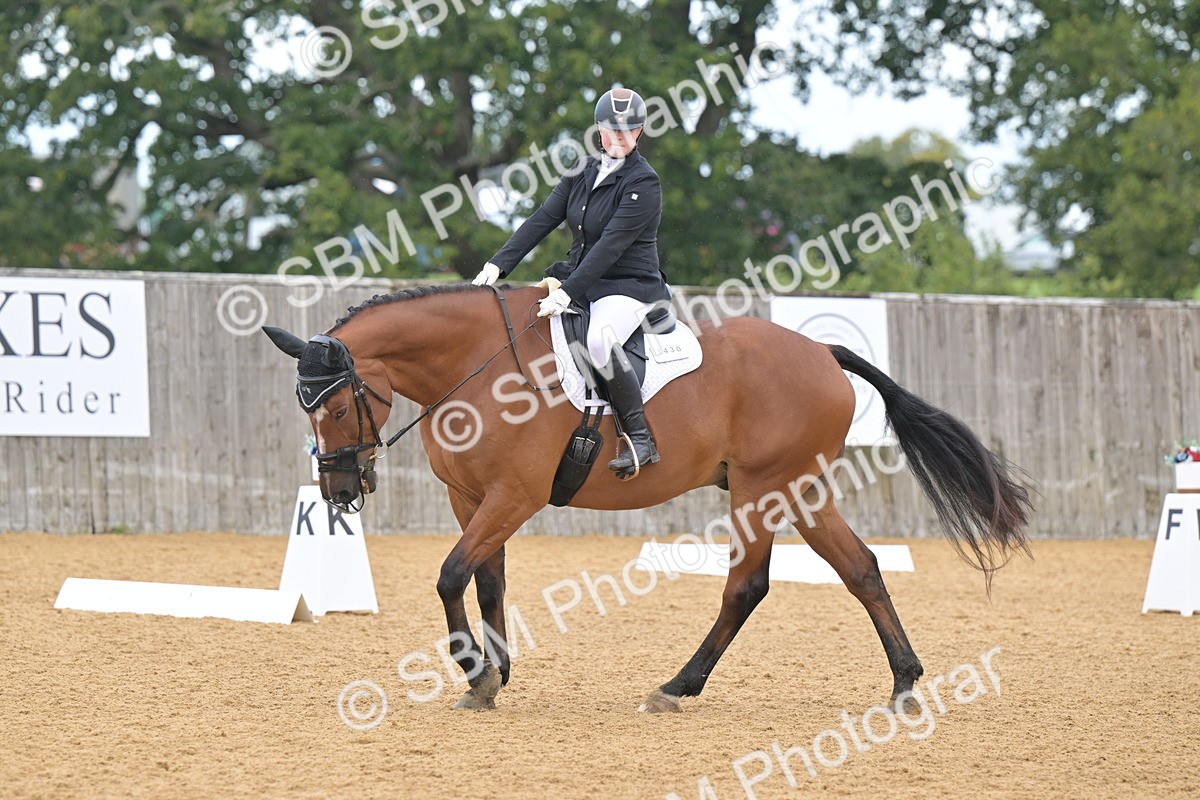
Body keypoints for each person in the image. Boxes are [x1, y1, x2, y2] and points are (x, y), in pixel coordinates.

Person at [472, 87, 671, 476]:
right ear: (599, 130)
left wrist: (566, 293)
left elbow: (610, 247)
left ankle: (640, 437)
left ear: (639, 132)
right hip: (581, 280)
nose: (618, 138)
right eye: (611, 130)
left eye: (628, 131)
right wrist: (498, 264)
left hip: (628, 286)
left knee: (599, 341)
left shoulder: (644, 183)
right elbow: (542, 219)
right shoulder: (581, 170)